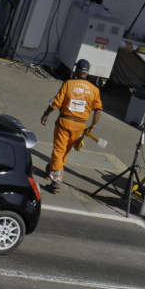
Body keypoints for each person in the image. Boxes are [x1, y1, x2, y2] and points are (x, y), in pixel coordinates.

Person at [39, 60, 102, 192]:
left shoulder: (69, 84)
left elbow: (56, 103)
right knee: (65, 151)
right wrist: (92, 126)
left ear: (77, 70)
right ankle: (52, 169)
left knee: (59, 151)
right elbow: (98, 110)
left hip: (65, 122)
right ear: (87, 72)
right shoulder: (94, 90)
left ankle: (56, 181)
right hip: (80, 126)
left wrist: (46, 114)